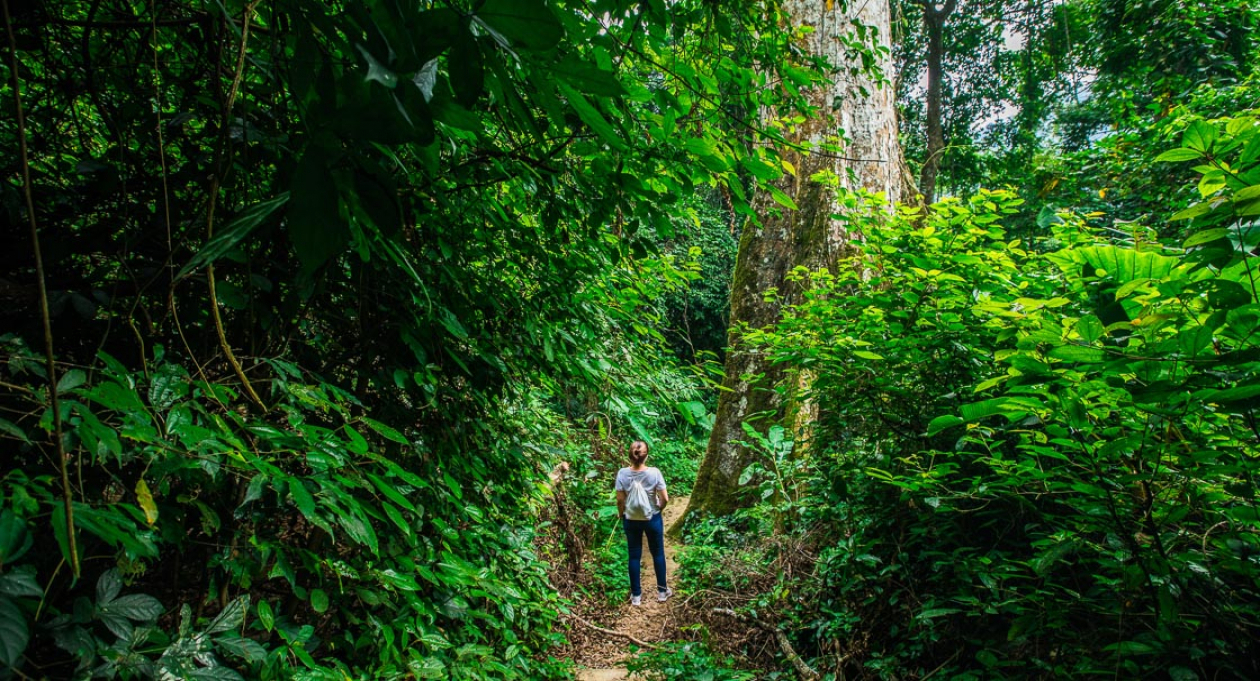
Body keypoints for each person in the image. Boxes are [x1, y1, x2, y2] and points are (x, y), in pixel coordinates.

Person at [614, 440, 672, 606]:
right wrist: (659, 509)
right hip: (651, 518)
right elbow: (665, 498)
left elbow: (620, 499)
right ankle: (662, 592)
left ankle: (636, 596)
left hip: (630, 519)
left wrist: (621, 514)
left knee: (634, 555)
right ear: (646, 456)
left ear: (630, 455)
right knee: (658, 553)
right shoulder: (654, 473)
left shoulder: (622, 474)